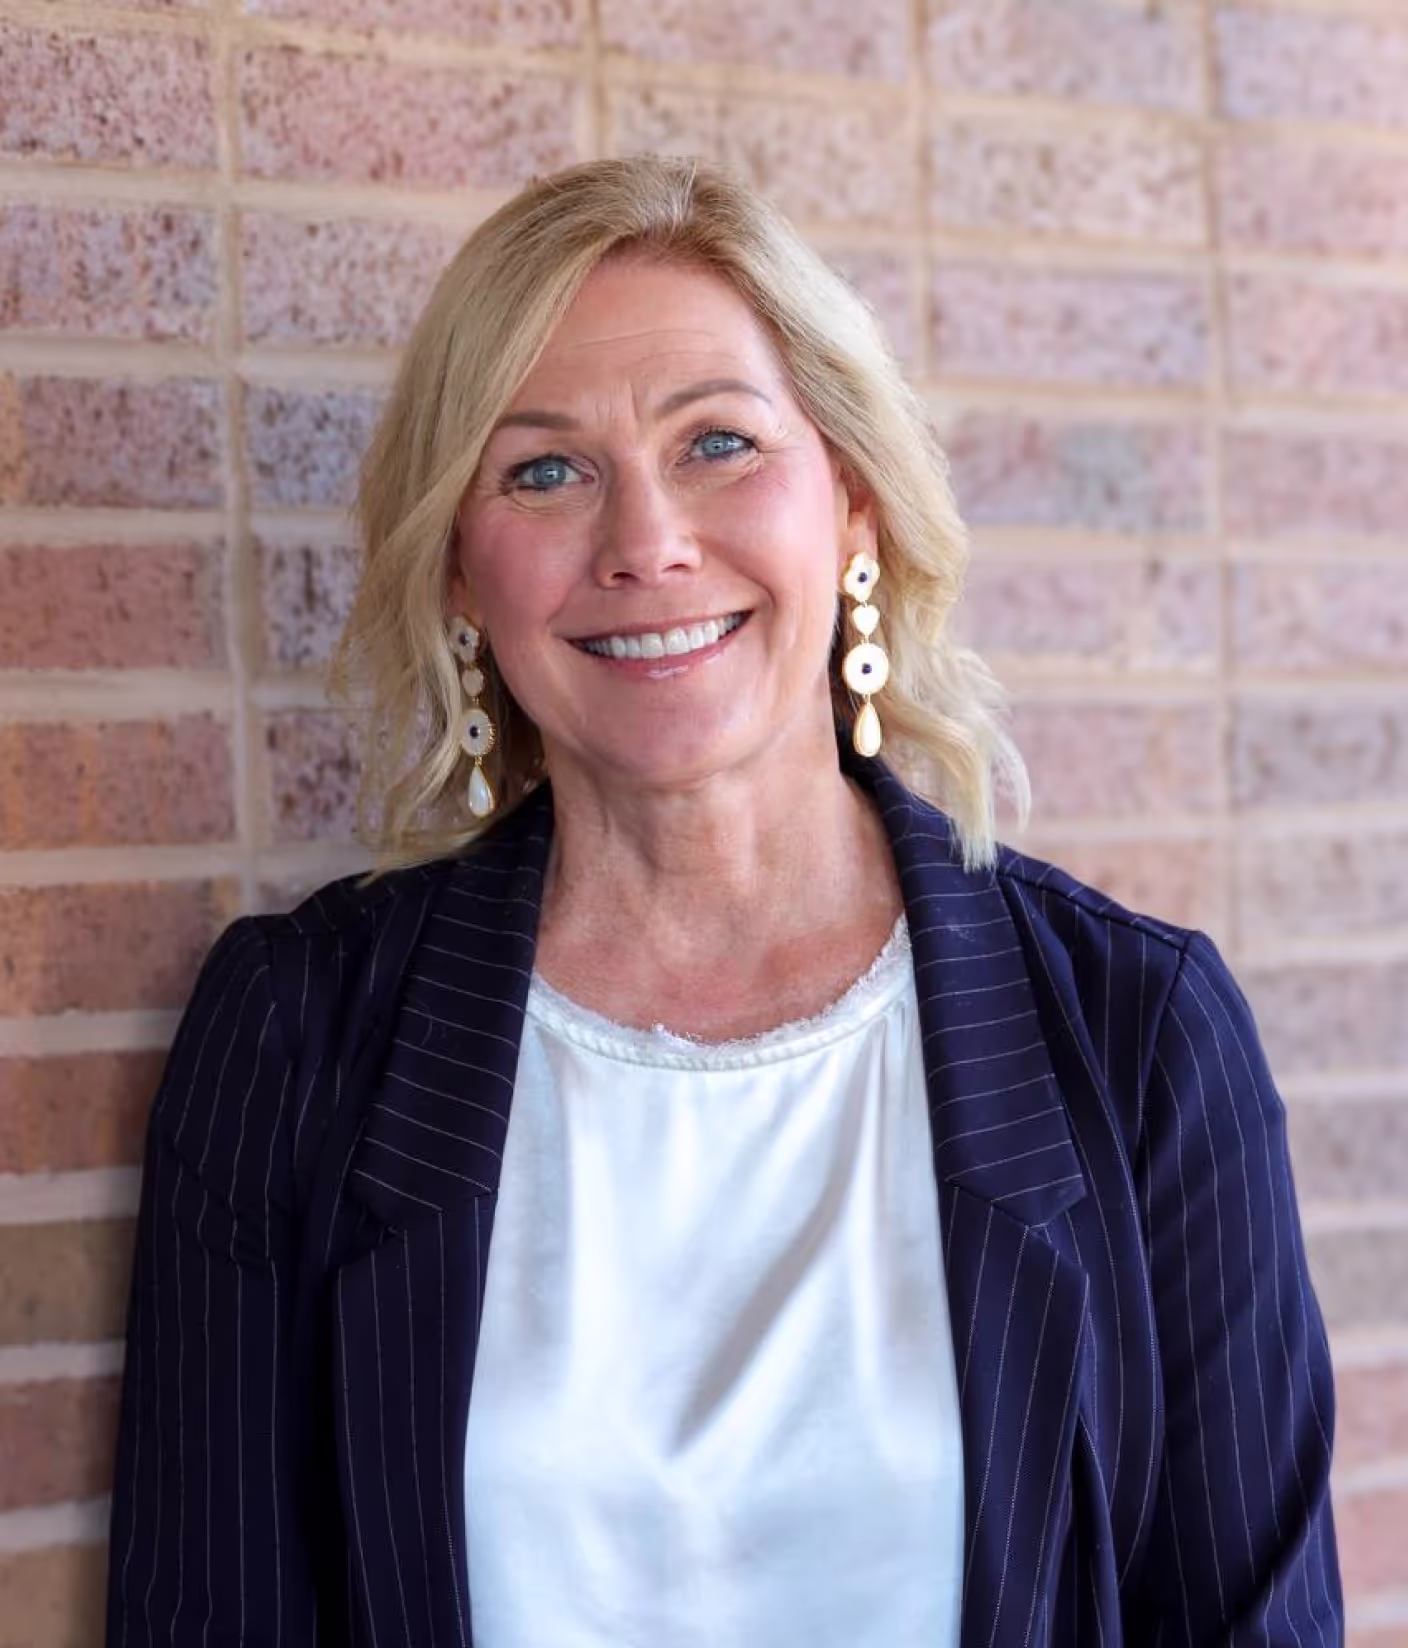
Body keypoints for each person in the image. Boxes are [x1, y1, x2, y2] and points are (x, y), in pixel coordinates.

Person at [107, 156, 1342, 1647]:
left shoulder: (1142, 1036)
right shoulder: (293, 1040)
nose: (646, 544)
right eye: (544, 471)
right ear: (459, 575)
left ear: (855, 505)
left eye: (718, 443)